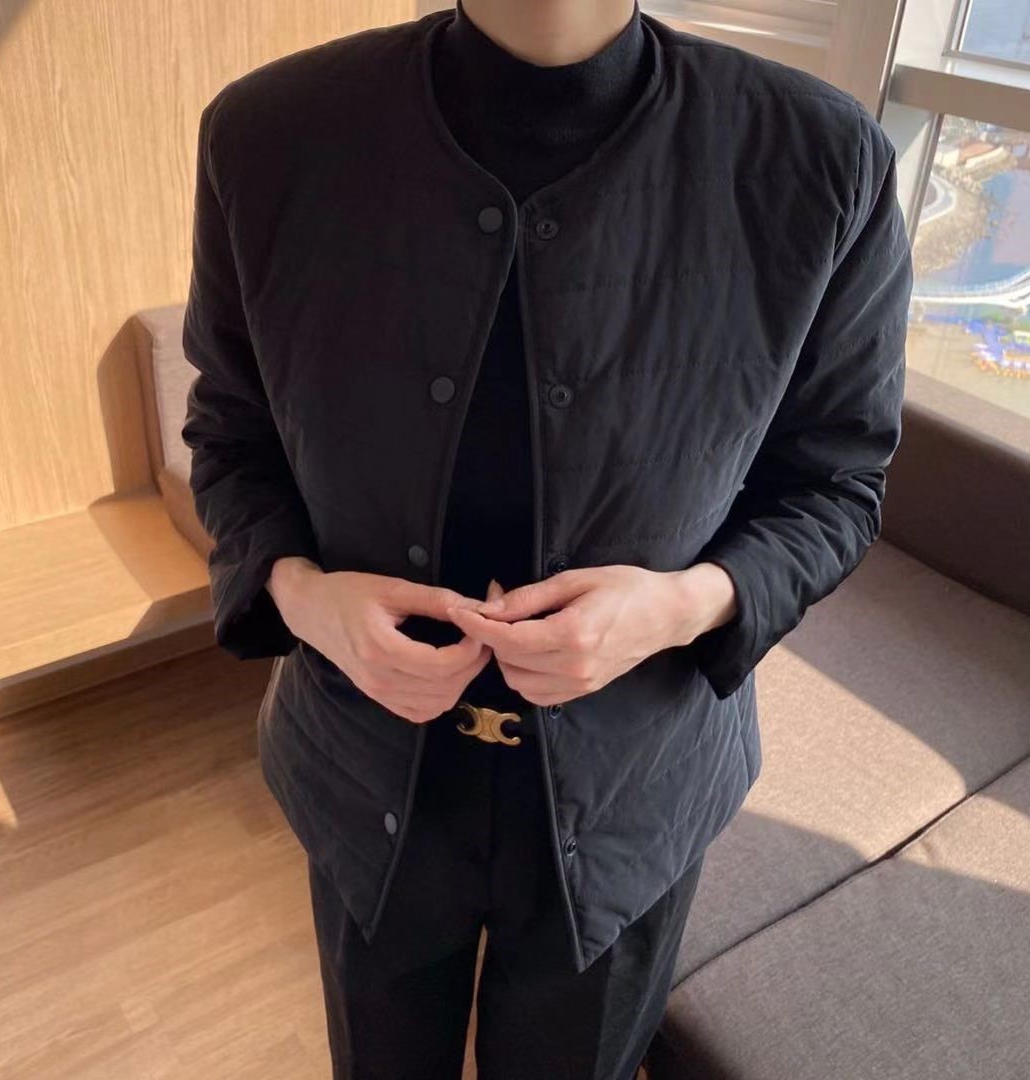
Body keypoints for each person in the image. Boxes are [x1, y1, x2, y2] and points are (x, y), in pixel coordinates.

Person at [180, 1, 914, 1077]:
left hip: (634, 797)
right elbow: (230, 435)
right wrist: (303, 596)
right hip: (364, 774)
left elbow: (837, 483)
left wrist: (681, 604)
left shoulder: (821, 157)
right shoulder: (267, 134)